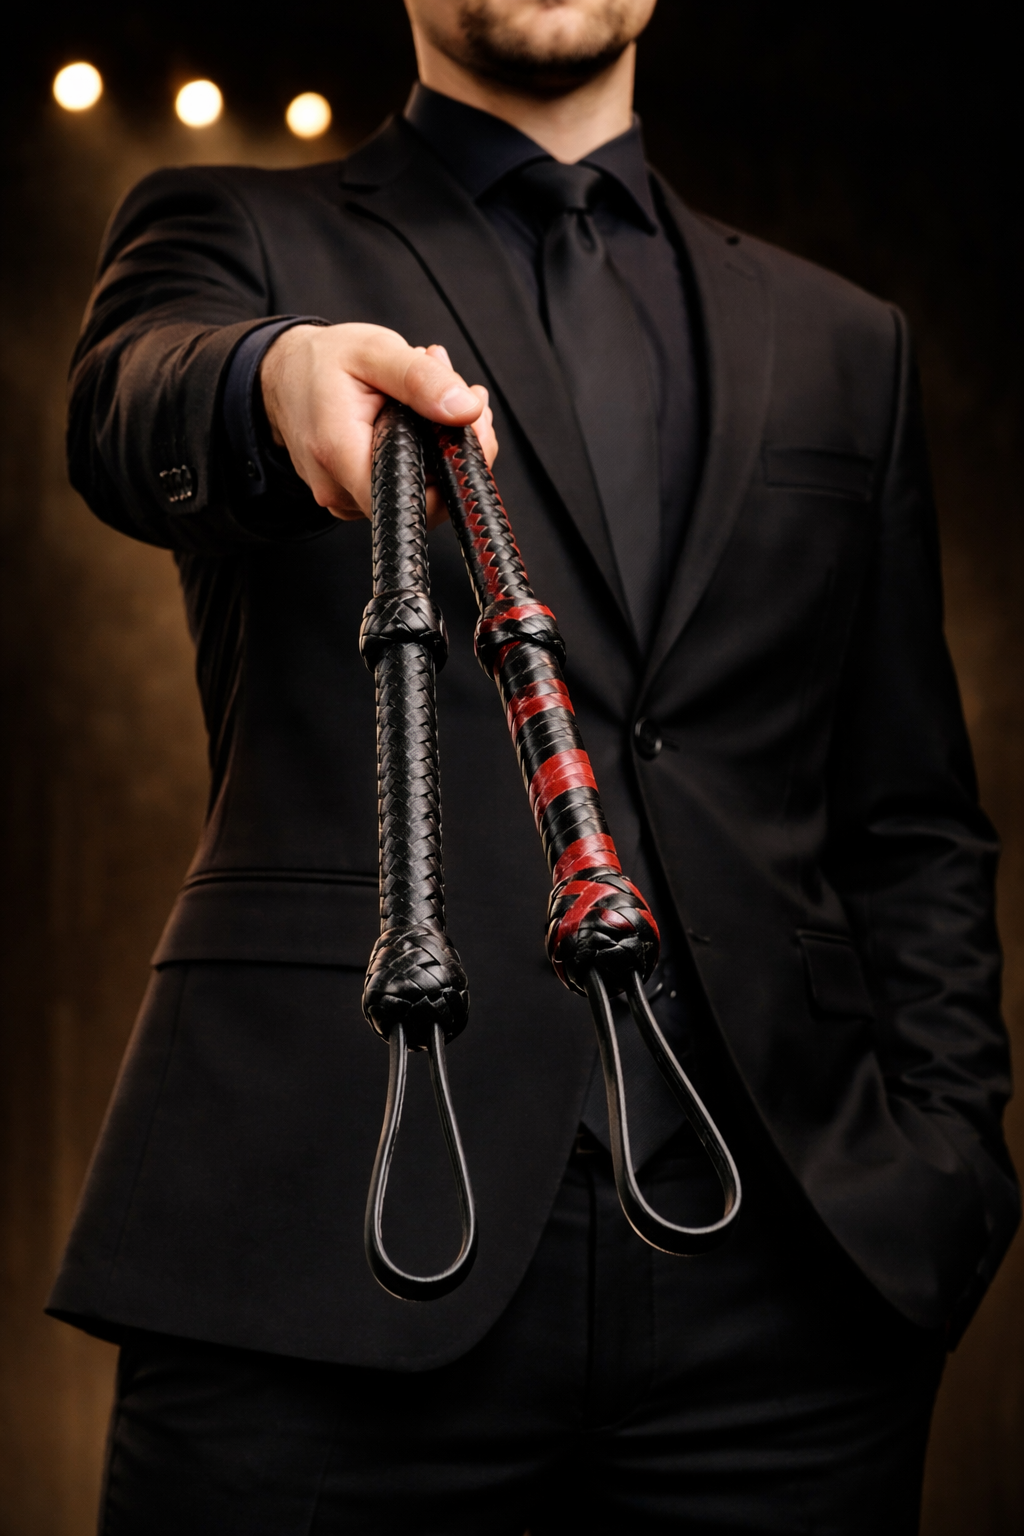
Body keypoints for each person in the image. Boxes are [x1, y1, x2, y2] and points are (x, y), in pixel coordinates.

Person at [51, 1, 1018, 1531]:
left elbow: (908, 820)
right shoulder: (232, 228)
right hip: (327, 1243)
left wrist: (949, 1172)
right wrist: (272, 379)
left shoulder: (848, 338)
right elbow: (128, 401)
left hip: (795, 1283)